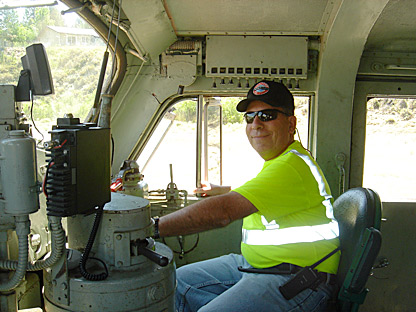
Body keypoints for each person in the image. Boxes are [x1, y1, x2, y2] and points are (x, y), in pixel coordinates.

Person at [155, 80, 340, 312]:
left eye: (267, 115)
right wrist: (228, 191)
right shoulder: (280, 162)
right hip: (262, 265)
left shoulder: (291, 166)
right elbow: (267, 197)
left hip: (299, 280)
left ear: (291, 123)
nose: (256, 124)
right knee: (178, 281)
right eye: (250, 117)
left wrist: (153, 227)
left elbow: (223, 213)